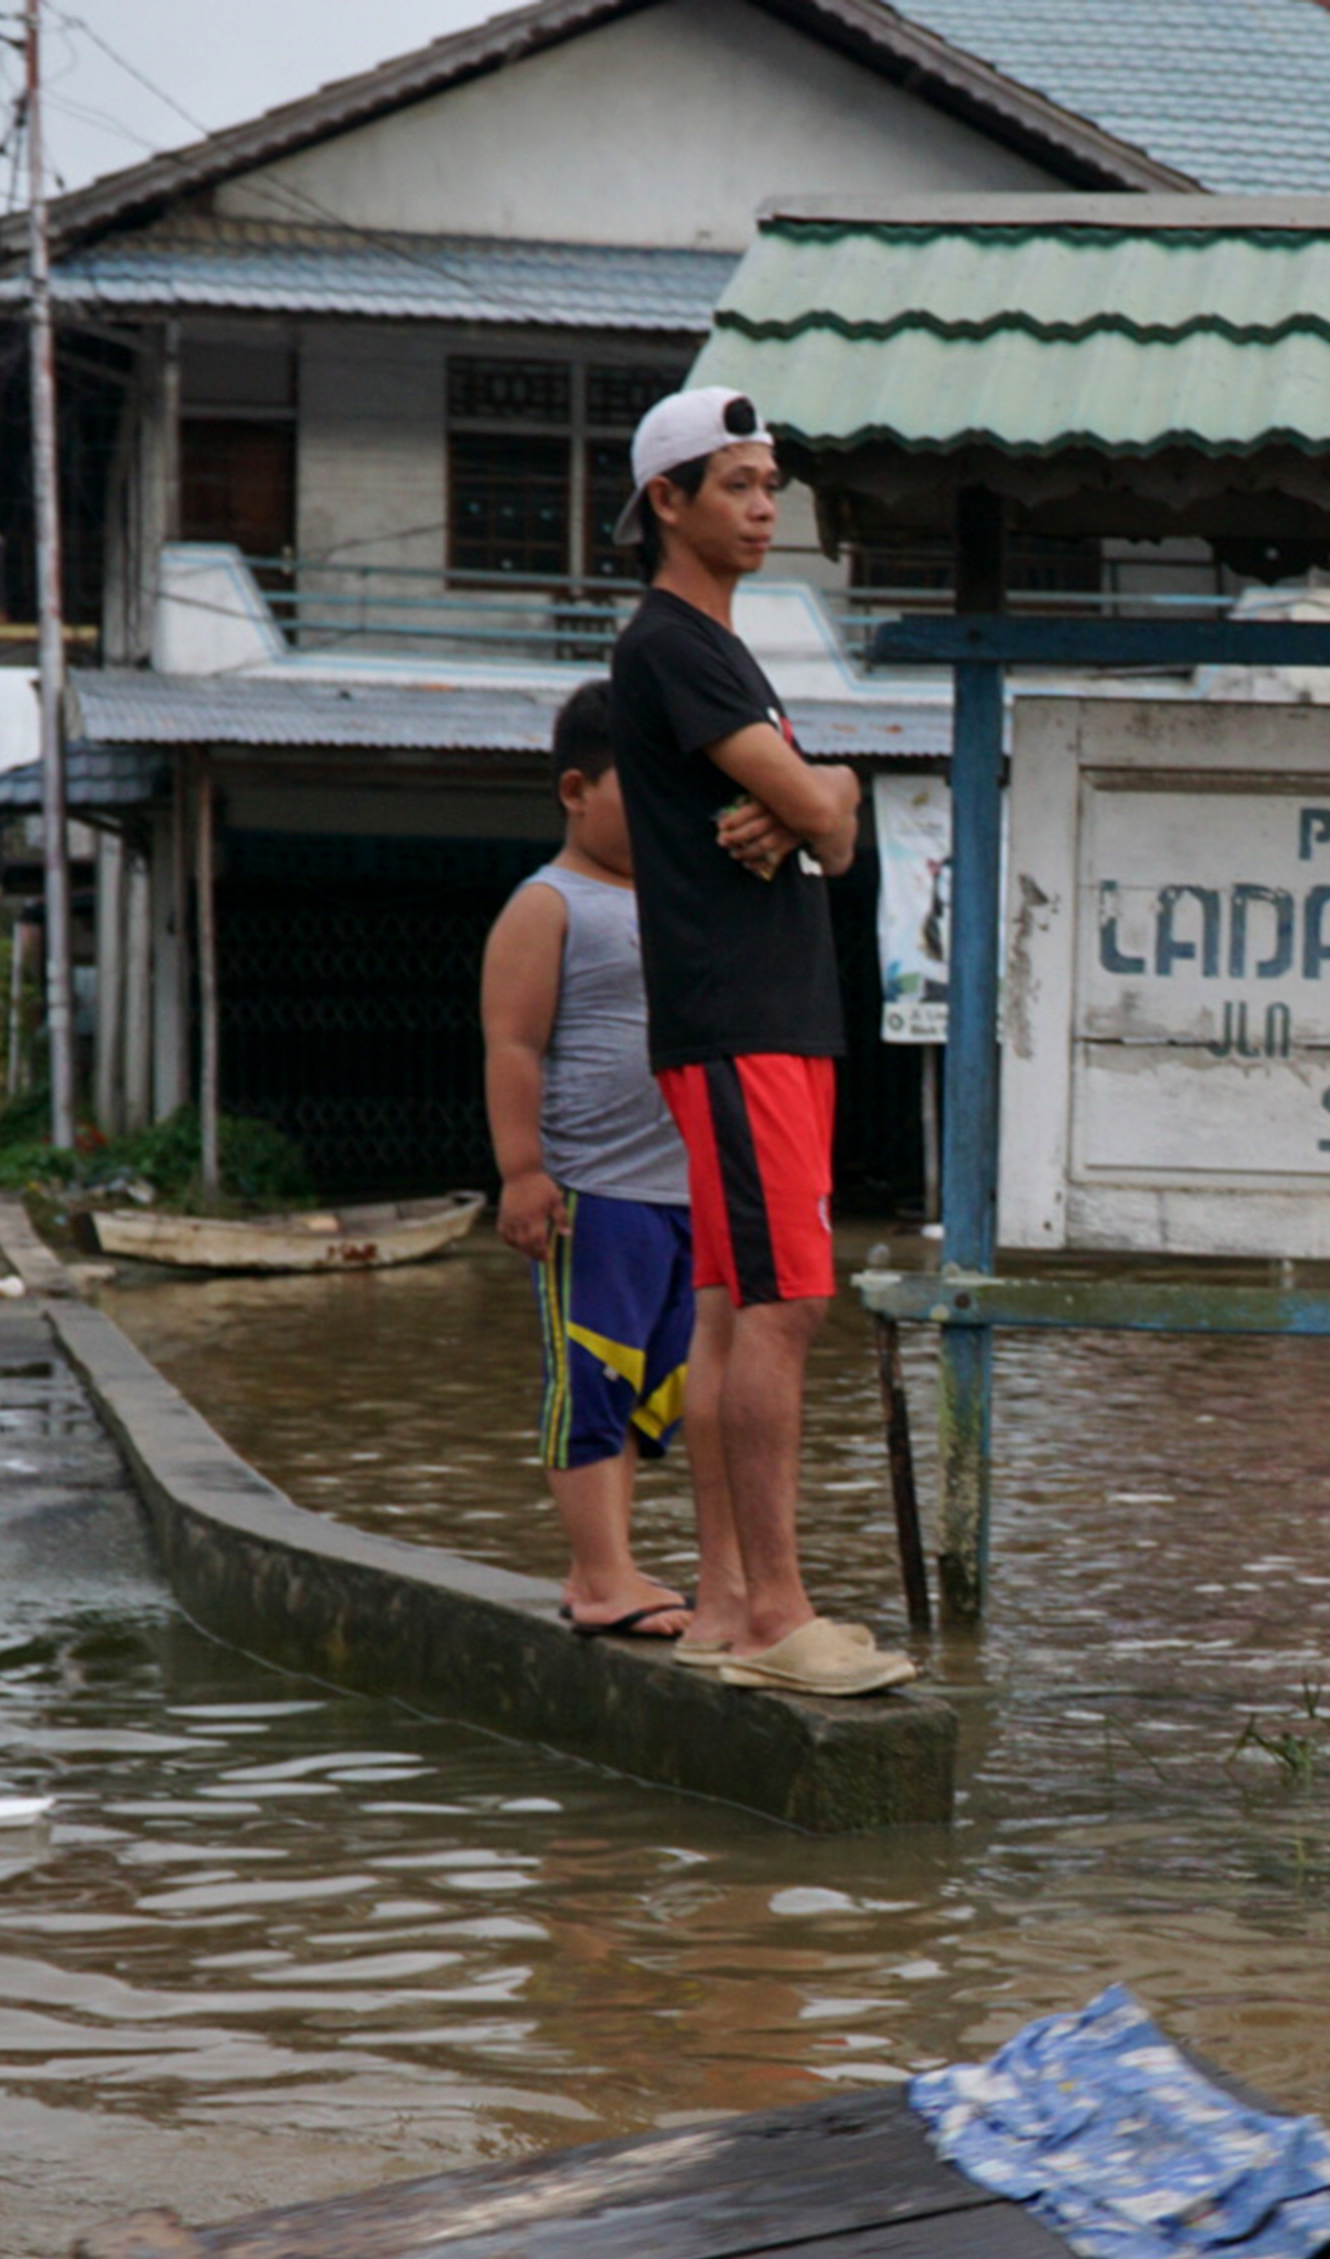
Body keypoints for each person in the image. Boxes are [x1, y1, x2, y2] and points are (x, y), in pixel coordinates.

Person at [607, 386, 914, 1696]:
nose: (763, 507)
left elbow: (831, 829)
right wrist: (816, 794)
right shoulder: (675, 642)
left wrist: (814, 804)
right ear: (665, 503)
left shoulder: (722, 650)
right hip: (743, 1016)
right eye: (735, 483)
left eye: (770, 484)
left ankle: (735, 1608)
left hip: (768, 1018)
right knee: (781, 1302)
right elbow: (822, 807)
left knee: (740, 1304)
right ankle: (781, 1611)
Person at [481, 680, 699, 1643]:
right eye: (638, 785)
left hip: (682, 1193)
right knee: (590, 1380)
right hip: (594, 1191)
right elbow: (513, 1045)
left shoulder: (683, 892)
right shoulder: (548, 901)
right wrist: (524, 1172)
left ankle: (606, 1560)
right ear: (576, 787)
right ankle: (602, 1572)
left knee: (656, 1386)